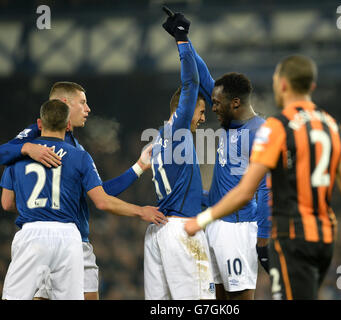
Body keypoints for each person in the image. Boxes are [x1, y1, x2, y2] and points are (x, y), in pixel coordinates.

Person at [184, 54, 341, 299]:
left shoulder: (277, 128)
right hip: (324, 240)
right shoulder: (334, 128)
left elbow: (248, 190)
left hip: (293, 236)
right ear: (311, 86)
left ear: (282, 85)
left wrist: (203, 218)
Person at [0, 81, 159, 300]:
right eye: (83, 103)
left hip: (51, 237)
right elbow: (101, 200)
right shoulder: (34, 138)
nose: (88, 109)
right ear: (64, 105)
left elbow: (98, 193)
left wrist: (138, 167)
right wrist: (26, 147)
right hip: (68, 239)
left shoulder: (75, 148)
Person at [162, 8, 271, 300]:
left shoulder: (258, 132)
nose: (212, 107)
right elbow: (203, 76)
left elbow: (265, 187)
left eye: (216, 103)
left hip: (239, 229)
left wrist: (263, 238)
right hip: (217, 225)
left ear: (235, 103)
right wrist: (182, 38)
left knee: (239, 299)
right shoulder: (231, 118)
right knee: (215, 299)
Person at [143, 13, 215, 300]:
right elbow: (192, 83)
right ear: (183, 110)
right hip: (181, 229)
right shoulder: (178, 129)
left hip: (160, 233)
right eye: (200, 111)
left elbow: (191, 192)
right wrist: (182, 40)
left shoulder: (160, 140)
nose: (202, 117)